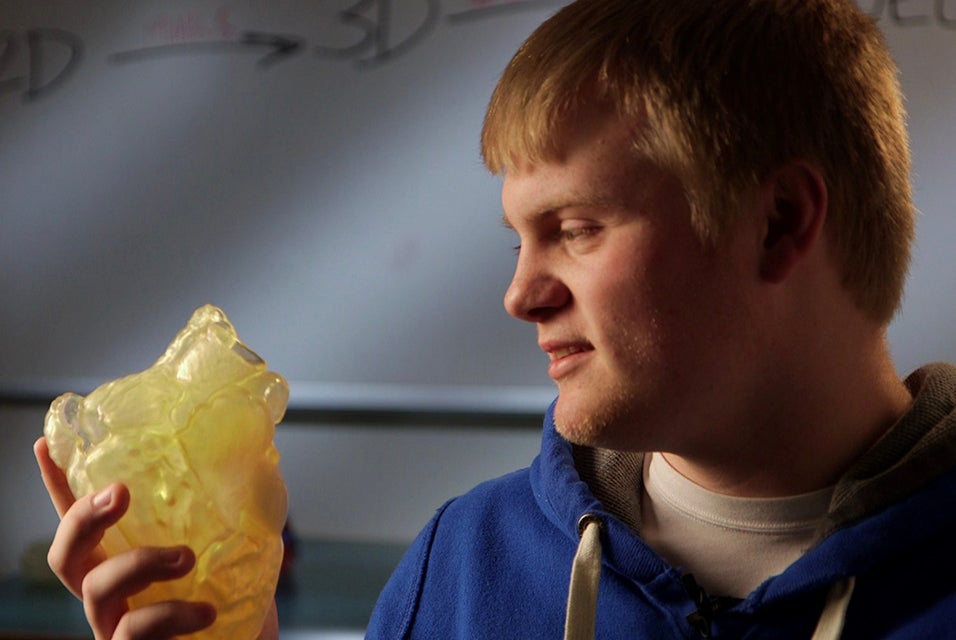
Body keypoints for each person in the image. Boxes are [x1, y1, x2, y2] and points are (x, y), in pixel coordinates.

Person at [35, 0, 956, 638]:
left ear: (780, 223)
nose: (521, 295)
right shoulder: (465, 566)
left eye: (576, 229)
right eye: (518, 239)